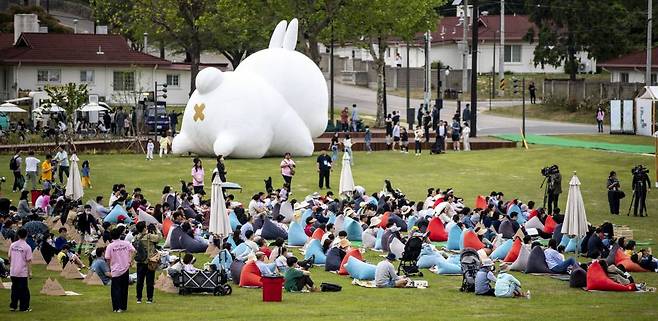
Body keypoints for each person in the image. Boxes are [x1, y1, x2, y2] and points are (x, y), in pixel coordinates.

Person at [105, 228, 136, 312]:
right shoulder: (126, 243)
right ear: (120, 235)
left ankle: (116, 307)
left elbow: (107, 258)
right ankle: (123, 306)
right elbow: (134, 251)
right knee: (124, 289)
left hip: (115, 270)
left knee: (115, 289)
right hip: (125, 268)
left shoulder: (110, 246)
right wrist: (130, 260)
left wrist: (109, 268)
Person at [134, 221, 162, 304]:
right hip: (149, 261)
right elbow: (159, 238)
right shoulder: (149, 236)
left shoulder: (136, 237)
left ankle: (139, 298)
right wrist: (156, 229)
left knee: (140, 280)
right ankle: (149, 298)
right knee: (149, 281)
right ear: (144, 228)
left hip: (140, 261)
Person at [9, 228, 32, 312]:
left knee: (14, 289)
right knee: (24, 290)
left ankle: (13, 306)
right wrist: (30, 272)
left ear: (18, 235)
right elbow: (29, 261)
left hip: (13, 271)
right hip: (22, 272)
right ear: (26, 235)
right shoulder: (27, 247)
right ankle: (24, 307)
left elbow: (9, 257)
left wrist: (12, 266)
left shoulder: (13, 245)